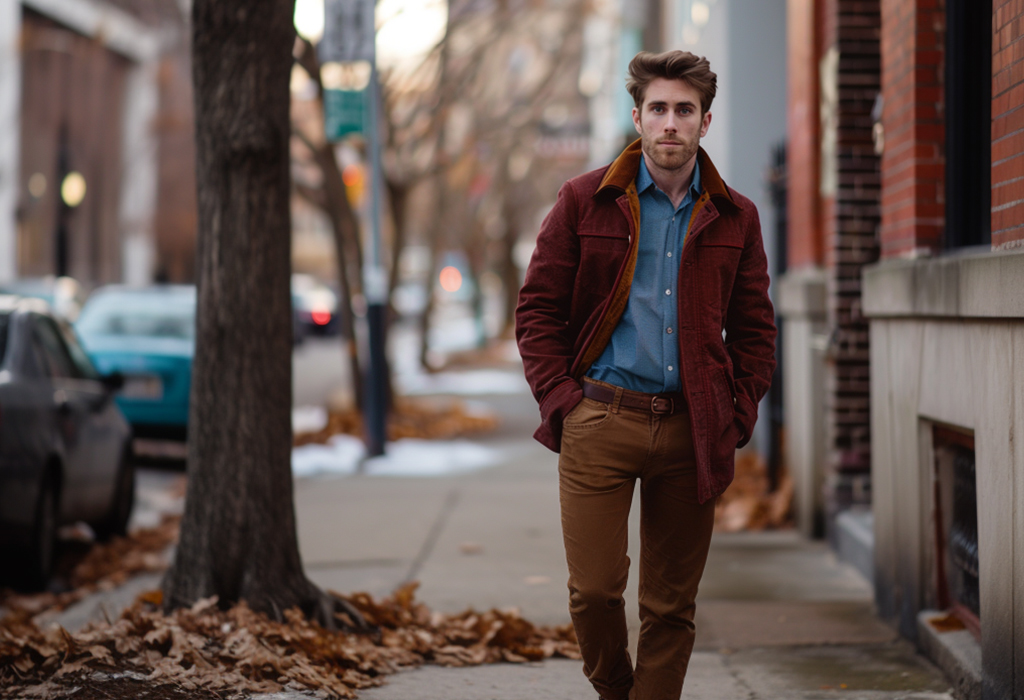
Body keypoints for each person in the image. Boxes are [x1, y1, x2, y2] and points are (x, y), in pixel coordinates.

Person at [515, 50, 777, 700]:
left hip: (693, 431)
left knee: (669, 610)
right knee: (596, 593)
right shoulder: (585, 201)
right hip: (600, 418)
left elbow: (755, 333)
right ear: (637, 117)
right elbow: (537, 308)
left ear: (704, 122)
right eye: (657, 109)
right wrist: (562, 399)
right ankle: (615, 690)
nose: (669, 123)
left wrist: (735, 416)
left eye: (683, 110)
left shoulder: (736, 217)